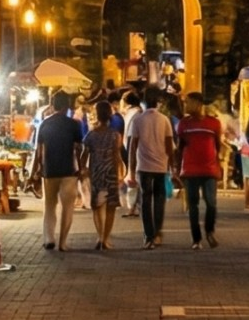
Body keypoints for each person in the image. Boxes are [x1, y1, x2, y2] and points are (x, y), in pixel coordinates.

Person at [32, 92, 89, 252]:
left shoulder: (44, 124)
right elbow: (79, 148)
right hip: (69, 171)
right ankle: (63, 242)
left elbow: (38, 150)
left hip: (49, 170)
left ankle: (48, 238)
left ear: (53, 105)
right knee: (67, 208)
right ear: (66, 106)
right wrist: (81, 167)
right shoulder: (74, 124)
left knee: (49, 206)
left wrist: (38, 169)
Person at [126, 87, 175, 247]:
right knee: (159, 199)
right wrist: (173, 168)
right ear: (158, 101)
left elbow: (133, 147)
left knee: (145, 200)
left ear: (144, 101)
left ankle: (148, 236)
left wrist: (131, 171)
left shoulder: (138, 120)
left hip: (143, 166)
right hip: (161, 166)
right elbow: (169, 146)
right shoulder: (164, 120)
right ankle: (158, 233)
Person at [177, 94, 225, 249]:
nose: (186, 106)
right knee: (193, 205)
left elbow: (217, 145)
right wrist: (177, 168)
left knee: (211, 203)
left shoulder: (213, 123)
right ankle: (196, 239)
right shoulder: (184, 124)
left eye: (189, 103)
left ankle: (209, 231)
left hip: (209, 169)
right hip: (190, 170)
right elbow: (180, 147)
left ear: (198, 104)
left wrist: (218, 162)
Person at [83, 100, 126, 250]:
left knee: (97, 206)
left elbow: (84, 153)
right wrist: (120, 173)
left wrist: (83, 169)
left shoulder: (91, 134)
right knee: (110, 207)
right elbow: (117, 156)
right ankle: (106, 238)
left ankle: (100, 236)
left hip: (96, 172)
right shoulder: (115, 135)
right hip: (110, 172)